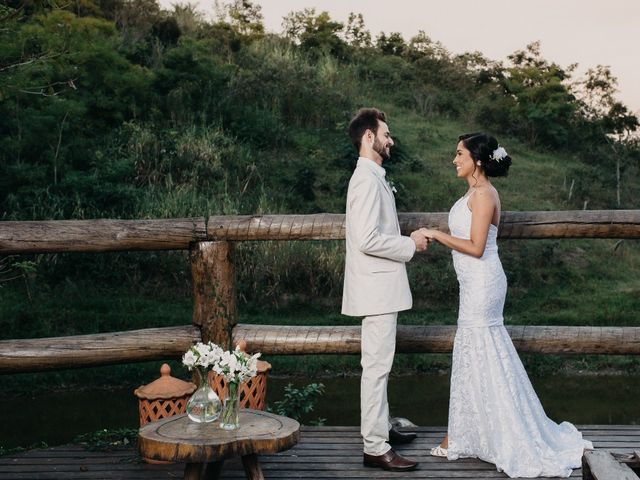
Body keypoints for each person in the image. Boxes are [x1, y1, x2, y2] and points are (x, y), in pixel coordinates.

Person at [421, 133, 592, 478]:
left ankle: (476, 435)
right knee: (473, 350)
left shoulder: (484, 194)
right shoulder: (472, 192)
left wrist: (437, 234)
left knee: (478, 347)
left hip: (484, 283)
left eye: (459, 154)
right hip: (472, 283)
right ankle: (466, 433)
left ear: (478, 160)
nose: (454, 160)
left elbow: (477, 246)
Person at [342, 107, 429, 472]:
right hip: (376, 290)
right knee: (376, 367)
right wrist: (409, 245)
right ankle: (375, 447)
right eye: (386, 134)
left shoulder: (374, 176)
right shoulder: (364, 180)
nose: (390, 140)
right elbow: (367, 239)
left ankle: (383, 429)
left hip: (380, 289)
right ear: (368, 137)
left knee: (380, 364)